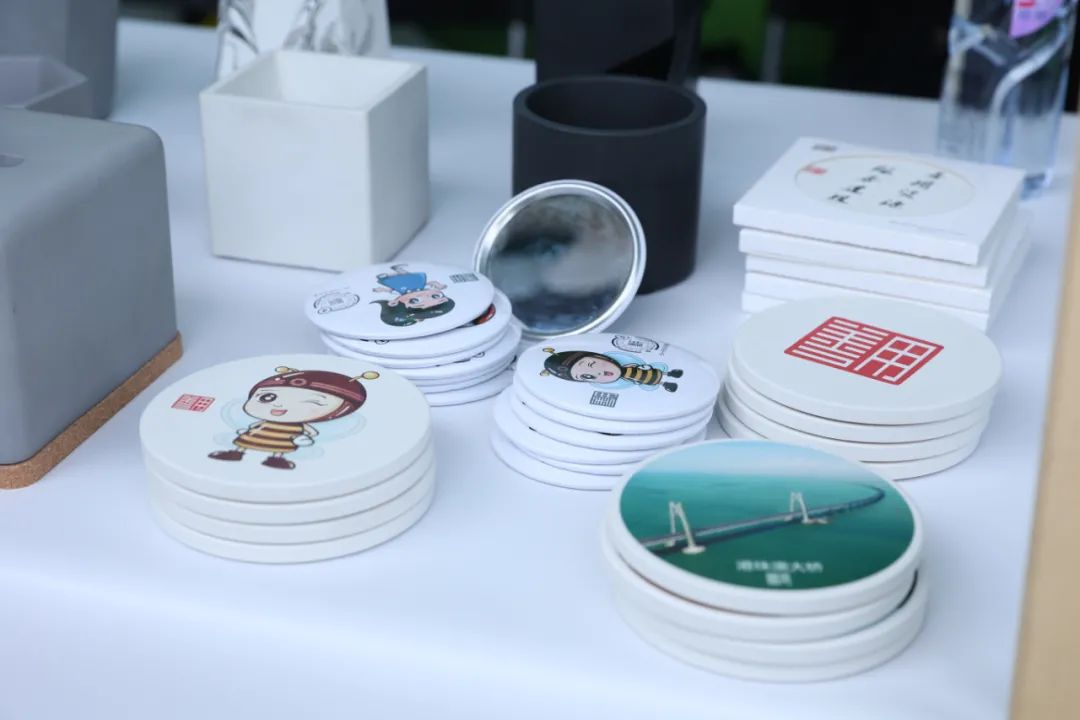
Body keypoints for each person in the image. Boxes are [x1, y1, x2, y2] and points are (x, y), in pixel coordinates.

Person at [208, 366, 378, 470]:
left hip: (284, 438)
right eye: (267, 397)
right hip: (259, 433)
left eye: (312, 402)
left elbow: (311, 432)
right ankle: (236, 453)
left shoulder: (301, 426)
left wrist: (304, 437)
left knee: (280, 445)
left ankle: (276, 459)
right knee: (247, 440)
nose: (279, 405)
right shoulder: (264, 421)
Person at [541, 349, 683, 392]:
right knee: (648, 380)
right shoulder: (620, 383)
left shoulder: (626, 362)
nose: (598, 373)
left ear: (600, 357)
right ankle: (665, 383)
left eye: (592, 364)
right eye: (586, 376)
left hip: (644, 371)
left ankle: (670, 374)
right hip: (640, 379)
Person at [371, 264, 457, 327]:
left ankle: (389, 274)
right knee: (409, 276)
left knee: (402, 278)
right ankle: (397, 269)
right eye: (435, 296)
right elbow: (432, 282)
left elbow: (391, 290)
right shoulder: (424, 288)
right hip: (416, 282)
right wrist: (439, 285)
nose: (425, 296)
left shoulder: (400, 293)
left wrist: (381, 289)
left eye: (414, 301)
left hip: (402, 286)